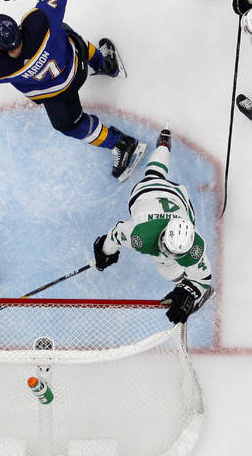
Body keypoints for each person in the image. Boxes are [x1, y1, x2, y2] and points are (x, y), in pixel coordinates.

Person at [0, 0, 147, 182]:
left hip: (58, 95)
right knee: (64, 32)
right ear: (18, 28)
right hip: (77, 65)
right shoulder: (38, 22)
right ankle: (106, 64)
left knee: (69, 125)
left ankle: (120, 143)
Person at [91, 129, 213, 323]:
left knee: (155, 171)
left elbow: (204, 278)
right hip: (144, 192)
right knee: (166, 265)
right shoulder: (141, 237)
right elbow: (116, 234)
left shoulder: (195, 245)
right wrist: (106, 250)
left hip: (179, 199)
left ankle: (164, 145)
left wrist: (191, 290)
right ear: (163, 236)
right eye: (168, 248)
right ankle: (164, 145)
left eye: (178, 253)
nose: (171, 254)